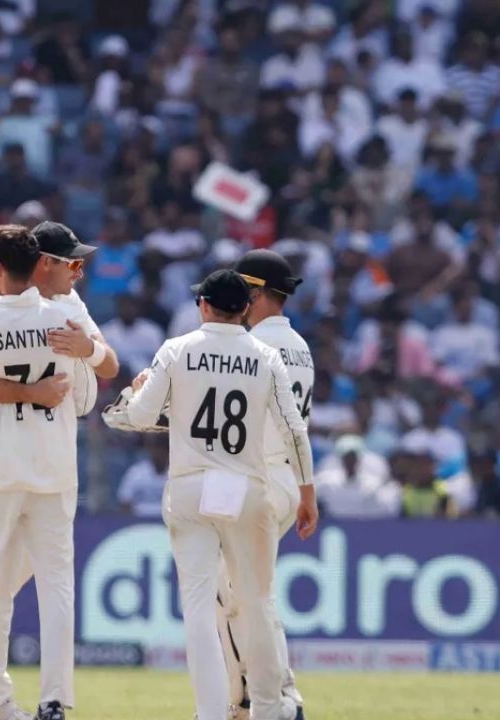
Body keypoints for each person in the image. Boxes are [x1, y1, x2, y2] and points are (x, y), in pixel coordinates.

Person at [0, 220, 119, 720]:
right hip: (54, 468)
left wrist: (1, 381)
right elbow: (95, 383)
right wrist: (42, 385)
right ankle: (50, 702)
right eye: (70, 262)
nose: (78, 271)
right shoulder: (61, 318)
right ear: (39, 263)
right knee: (54, 587)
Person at [114, 269, 317, 720]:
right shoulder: (266, 356)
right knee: (256, 602)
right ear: (245, 309)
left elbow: (145, 415)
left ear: (203, 305)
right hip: (245, 487)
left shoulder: (176, 349)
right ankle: (268, 708)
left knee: (200, 609)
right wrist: (307, 493)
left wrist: (128, 401)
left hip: (190, 488)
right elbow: (295, 432)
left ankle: (211, 713)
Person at [215, 249, 314, 720]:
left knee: (237, 598)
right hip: (287, 477)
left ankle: (258, 699)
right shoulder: (299, 344)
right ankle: (275, 695)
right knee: (254, 594)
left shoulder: (256, 347)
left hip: (254, 476)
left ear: (253, 293)